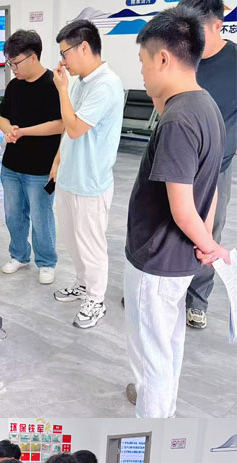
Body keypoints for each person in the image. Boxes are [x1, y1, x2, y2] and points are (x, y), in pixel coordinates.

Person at [124, 10, 227, 419]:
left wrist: (209, 246)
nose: (142, 73)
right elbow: (211, 185)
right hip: (179, 258)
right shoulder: (206, 106)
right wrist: (207, 241)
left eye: (143, 62)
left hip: (157, 259)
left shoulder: (179, 120)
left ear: (163, 59)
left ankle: (153, 416)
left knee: (153, 354)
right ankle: (159, 404)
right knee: (168, 343)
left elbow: (182, 207)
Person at [51, 21, 124, 329]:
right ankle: (83, 284)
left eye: (65, 52)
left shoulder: (106, 84)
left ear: (84, 47)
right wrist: (57, 160)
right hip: (70, 177)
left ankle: (96, 299)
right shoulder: (80, 81)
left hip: (90, 183)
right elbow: (67, 128)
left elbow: (76, 128)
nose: (63, 60)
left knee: (91, 246)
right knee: (72, 240)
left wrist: (61, 89)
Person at [182, 0, 237, 330]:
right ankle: (164, 288)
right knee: (171, 225)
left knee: (208, 233)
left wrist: (226, 148)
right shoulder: (183, 56)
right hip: (178, 163)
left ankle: (197, 300)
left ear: (218, 25)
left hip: (217, 167)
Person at [0, 31, 62, 284]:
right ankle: (19, 255)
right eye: (10, 63)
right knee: (13, 215)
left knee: (41, 217)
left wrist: (24, 131)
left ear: (33, 57)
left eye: (15, 63)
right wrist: (8, 129)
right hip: (11, 165)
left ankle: (46, 262)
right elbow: (4, 117)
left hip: (41, 167)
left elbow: (59, 124)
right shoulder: (14, 86)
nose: (13, 68)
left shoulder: (53, 84)